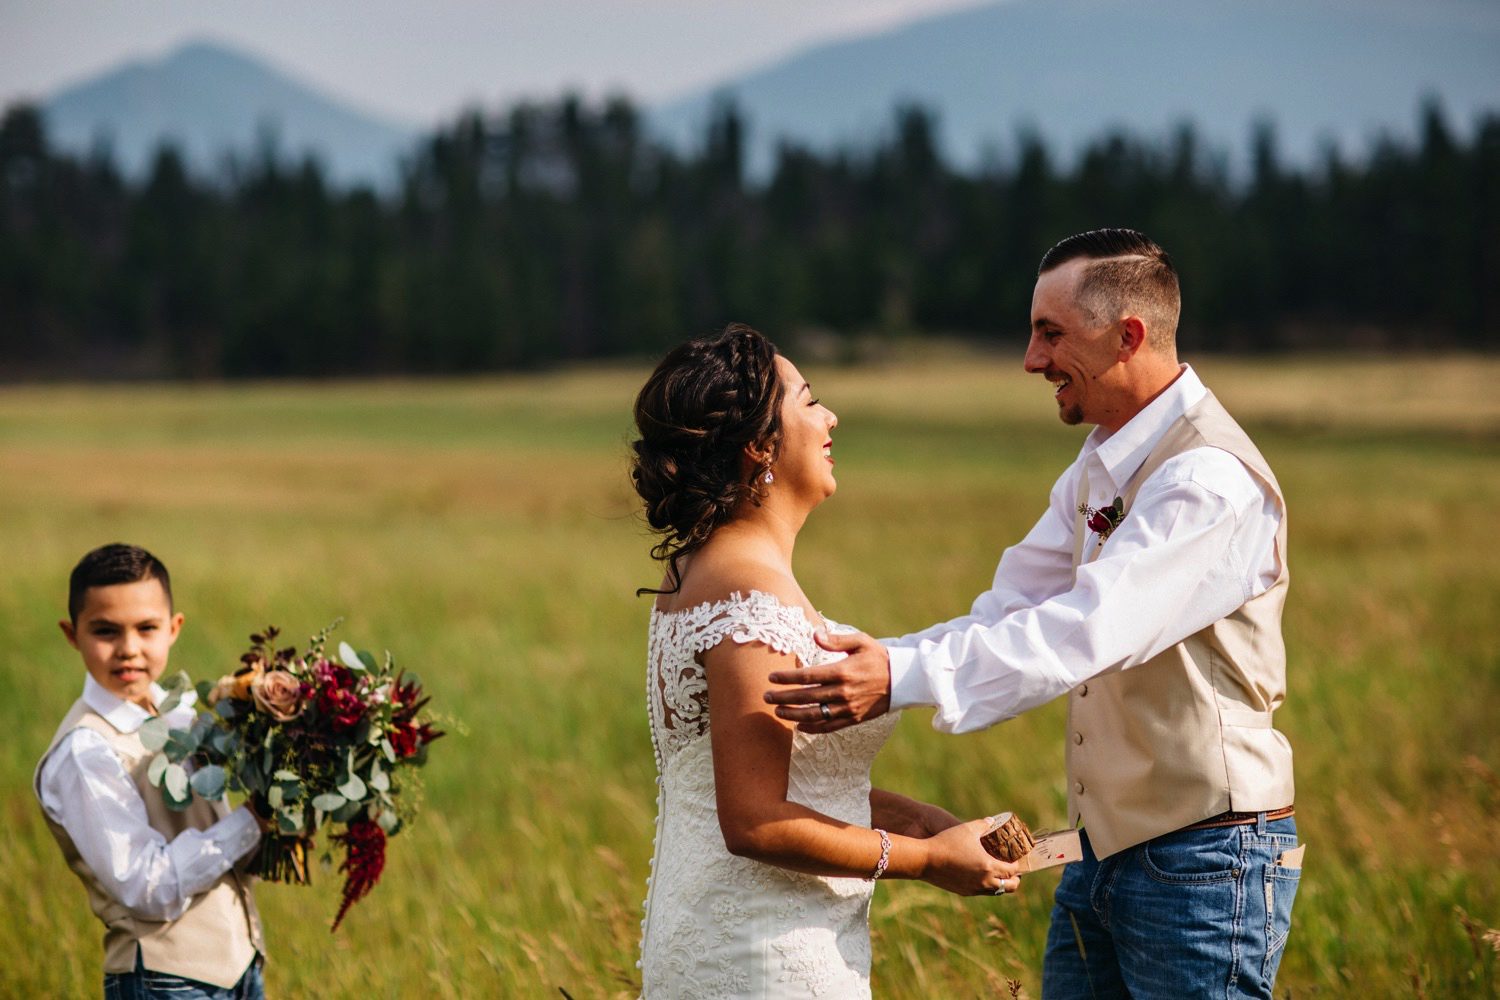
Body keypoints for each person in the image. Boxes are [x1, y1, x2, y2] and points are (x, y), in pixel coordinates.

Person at [763, 230, 1304, 999]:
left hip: (1205, 862)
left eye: (1051, 333)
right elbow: (1010, 610)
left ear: (1129, 336)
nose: (1030, 359)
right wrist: (874, 658)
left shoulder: (1209, 480)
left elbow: (1086, 628)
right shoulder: (1096, 466)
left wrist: (900, 675)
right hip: (1101, 857)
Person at [631, 324, 1020, 998]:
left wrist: (927, 821)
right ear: (759, 446)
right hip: (763, 955)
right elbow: (754, 816)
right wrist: (927, 860)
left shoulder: (711, 570)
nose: (830, 416)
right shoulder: (746, 592)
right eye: (808, 401)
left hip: (745, 936)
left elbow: (790, 780)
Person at [35, 543, 267, 1000]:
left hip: (240, 962)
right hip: (165, 982)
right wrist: (252, 821)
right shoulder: (86, 750)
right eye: (105, 631)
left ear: (173, 628)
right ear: (71, 634)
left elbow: (215, 834)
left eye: (147, 628)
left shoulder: (179, 714)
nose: (129, 649)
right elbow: (147, 886)